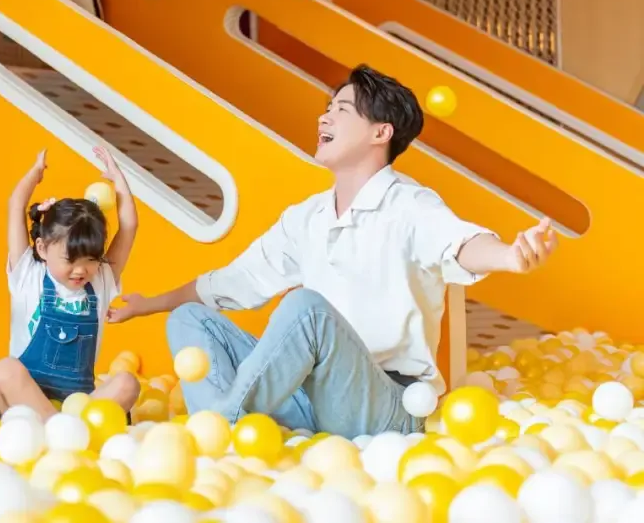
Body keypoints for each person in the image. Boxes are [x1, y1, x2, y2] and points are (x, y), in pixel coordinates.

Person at [109, 65, 558, 438]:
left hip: (383, 405)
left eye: (341, 110)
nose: (324, 118)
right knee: (190, 319)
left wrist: (510, 256)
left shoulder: (409, 205)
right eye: (327, 108)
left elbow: (459, 245)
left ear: (381, 132)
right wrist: (151, 304)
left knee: (306, 308)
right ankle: (227, 424)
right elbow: (235, 283)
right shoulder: (307, 217)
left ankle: (217, 431)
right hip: (310, 399)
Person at [0, 146, 141, 420]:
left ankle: (60, 427)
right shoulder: (28, 274)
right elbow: (16, 206)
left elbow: (129, 227)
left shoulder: (101, 279)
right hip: (24, 404)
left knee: (127, 383)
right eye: (70, 259)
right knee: (5, 370)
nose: (81, 270)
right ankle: (58, 427)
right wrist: (34, 175)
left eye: (91, 259)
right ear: (42, 248)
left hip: (77, 406)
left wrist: (119, 182)